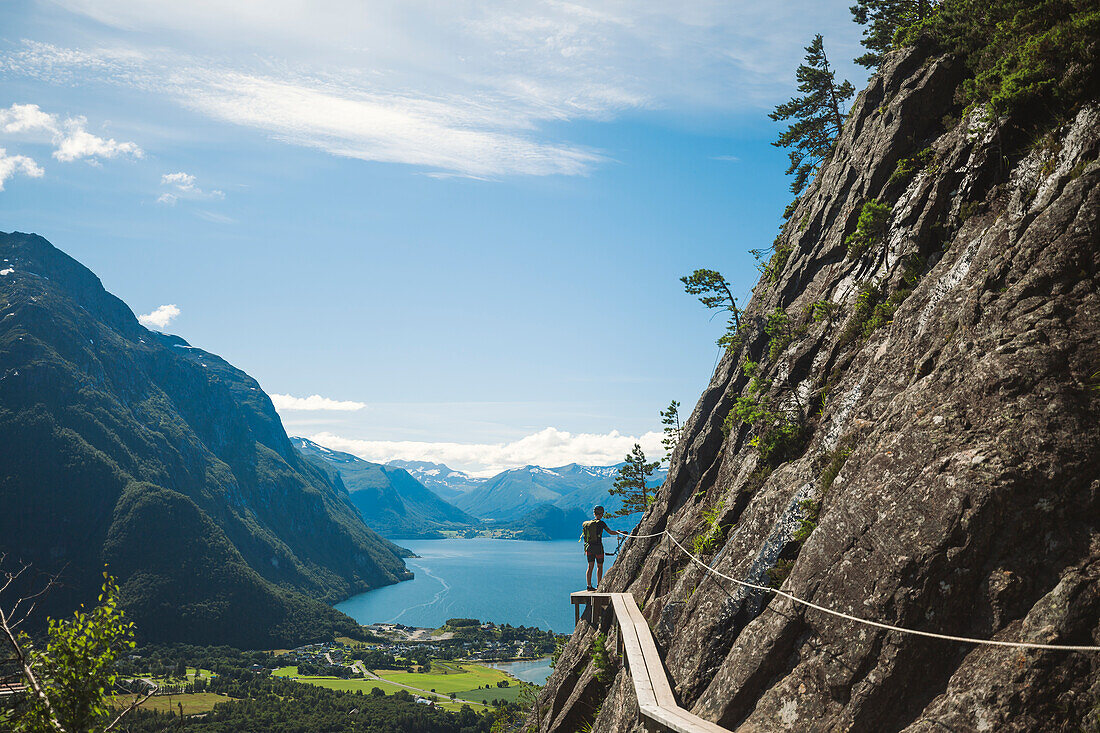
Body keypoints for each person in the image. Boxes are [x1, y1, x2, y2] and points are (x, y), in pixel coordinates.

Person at [581, 505, 622, 591]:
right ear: (601, 514)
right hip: (598, 548)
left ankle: (589, 586)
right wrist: (619, 532)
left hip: (589, 547)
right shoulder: (601, 523)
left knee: (590, 566)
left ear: (594, 513)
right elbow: (610, 532)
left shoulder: (588, 524)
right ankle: (599, 585)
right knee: (599, 566)